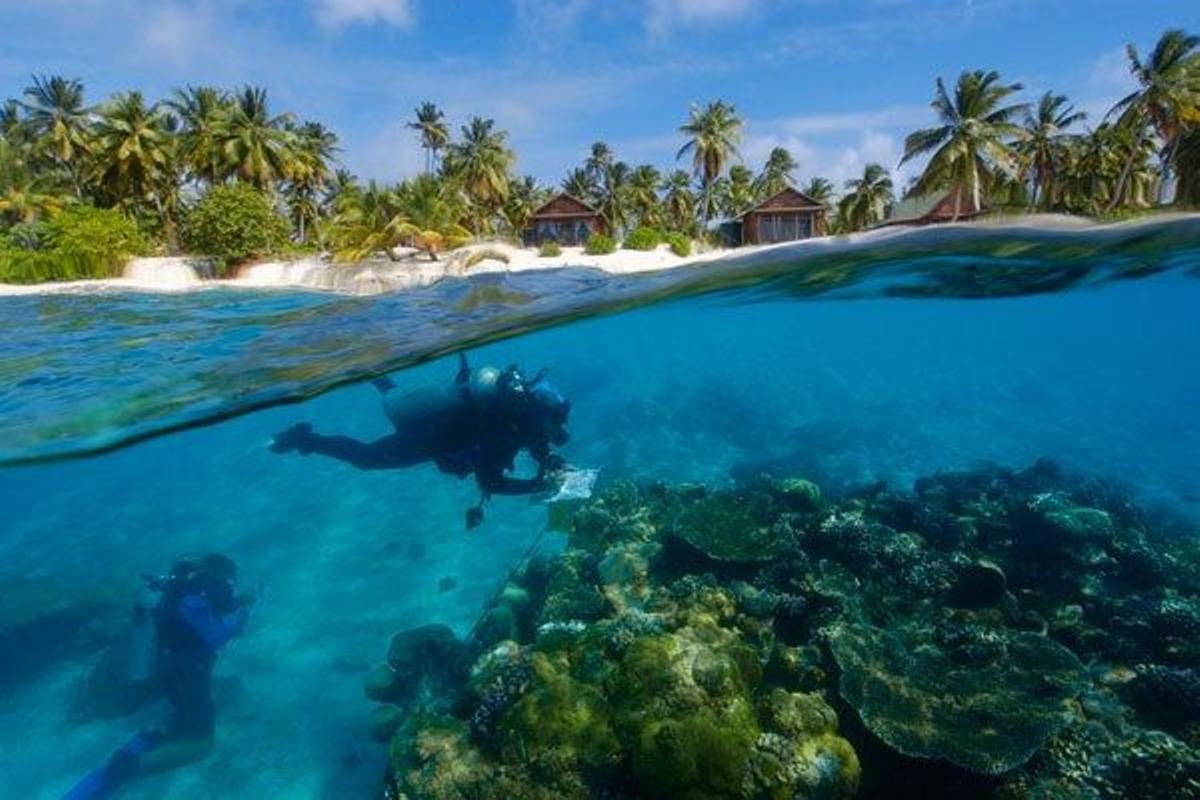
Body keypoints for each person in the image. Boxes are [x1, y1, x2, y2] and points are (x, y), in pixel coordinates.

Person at [270, 354, 572, 528]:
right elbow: (491, 482)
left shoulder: (517, 412)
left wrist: (545, 458)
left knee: (395, 401)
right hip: (429, 439)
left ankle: (372, 372)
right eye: (552, 426)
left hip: (439, 426)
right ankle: (306, 438)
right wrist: (536, 485)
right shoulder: (503, 431)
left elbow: (532, 439)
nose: (553, 435)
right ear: (534, 415)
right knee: (366, 458)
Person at [64, 554, 254, 800]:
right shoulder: (203, 596)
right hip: (189, 672)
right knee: (202, 744)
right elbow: (217, 636)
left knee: (184, 712)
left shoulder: (182, 583)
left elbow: (205, 610)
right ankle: (127, 767)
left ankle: (156, 732)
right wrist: (244, 612)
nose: (229, 589)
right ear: (221, 576)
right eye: (229, 583)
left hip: (168, 665)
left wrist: (234, 603)